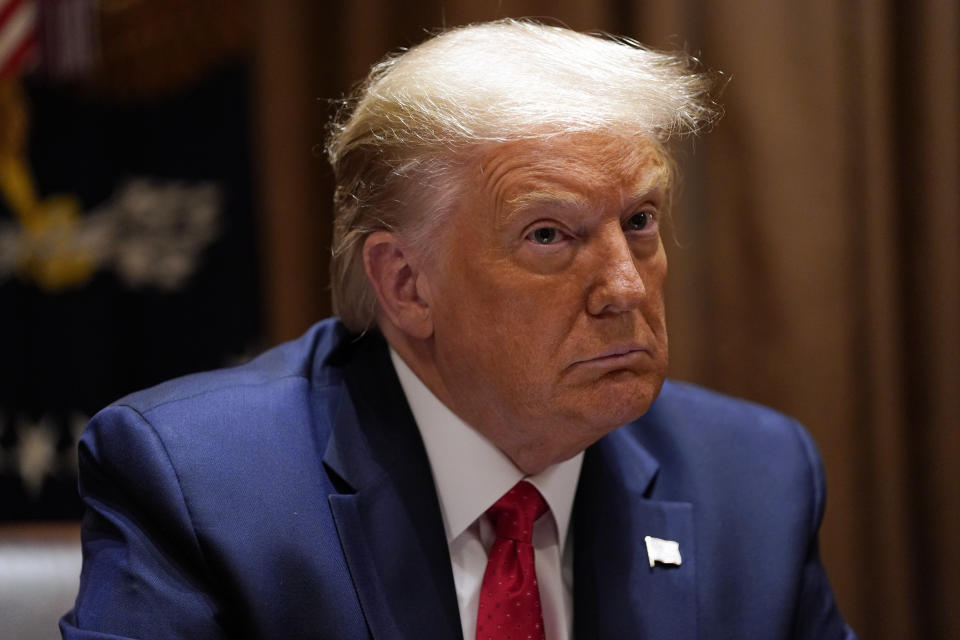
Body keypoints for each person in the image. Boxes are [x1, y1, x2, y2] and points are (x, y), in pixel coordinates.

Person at [61, 19, 856, 640]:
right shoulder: (202, 486)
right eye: (549, 235)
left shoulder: (754, 483)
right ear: (406, 284)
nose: (624, 285)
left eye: (640, 221)